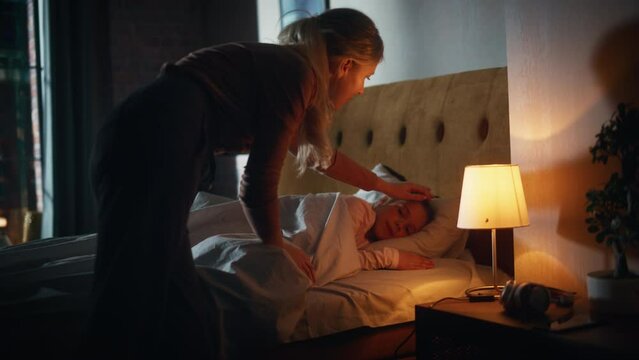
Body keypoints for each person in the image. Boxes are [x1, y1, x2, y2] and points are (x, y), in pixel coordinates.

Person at [81, 8, 432, 360]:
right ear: (345, 66)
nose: (360, 91)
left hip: (145, 132)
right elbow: (257, 183)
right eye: (366, 78)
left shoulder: (288, 69)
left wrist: (387, 188)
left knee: (168, 293)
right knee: (136, 292)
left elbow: (322, 157)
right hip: (158, 139)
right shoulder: (297, 75)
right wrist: (277, 245)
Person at [343, 195, 435, 270]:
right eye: (401, 212)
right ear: (383, 201)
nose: (400, 225)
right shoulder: (357, 208)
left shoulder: (367, 243)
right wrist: (390, 258)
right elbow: (334, 260)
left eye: (407, 229)